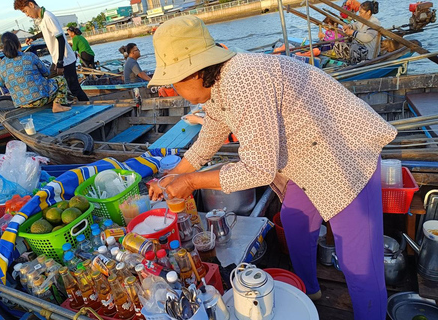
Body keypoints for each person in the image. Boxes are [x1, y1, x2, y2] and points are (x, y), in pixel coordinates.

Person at [147, 16, 397, 320]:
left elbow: (258, 171)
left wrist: (191, 182)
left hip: (344, 154)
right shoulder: (218, 84)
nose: (173, 88)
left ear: (194, 73)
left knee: (359, 262)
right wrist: (173, 176)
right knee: (294, 221)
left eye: (174, 81)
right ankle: (308, 291)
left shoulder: (244, 80)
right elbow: (209, 135)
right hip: (304, 157)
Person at [14, 0, 89, 102]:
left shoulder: (48, 17)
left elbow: (61, 39)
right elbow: (45, 31)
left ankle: (87, 105)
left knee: (74, 88)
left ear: (31, 5)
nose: (27, 15)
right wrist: (34, 37)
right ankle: (62, 103)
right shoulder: (43, 18)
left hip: (65, 58)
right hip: (58, 58)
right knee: (50, 81)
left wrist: (60, 63)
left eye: (25, 11)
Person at [0, 32, 71, 113]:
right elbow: (47, 73)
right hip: (41, 99)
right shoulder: (30, 56)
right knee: (60, 80)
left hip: (21, 103)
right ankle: (57, 106)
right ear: (18, 43)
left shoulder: (0, 65)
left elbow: (0, 83)